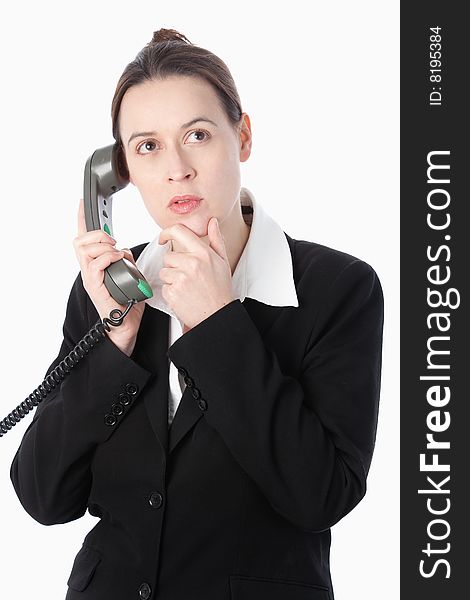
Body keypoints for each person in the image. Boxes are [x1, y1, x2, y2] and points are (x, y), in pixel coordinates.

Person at [10, 28, 384, 600]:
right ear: (119, 172)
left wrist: (217, 326)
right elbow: (44, 496)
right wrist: (113, 344)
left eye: (198, 135)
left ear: (244, 136)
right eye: (147, 146)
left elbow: (322, 496)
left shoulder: (338, 290)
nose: (176, 168)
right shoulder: (110, 292)